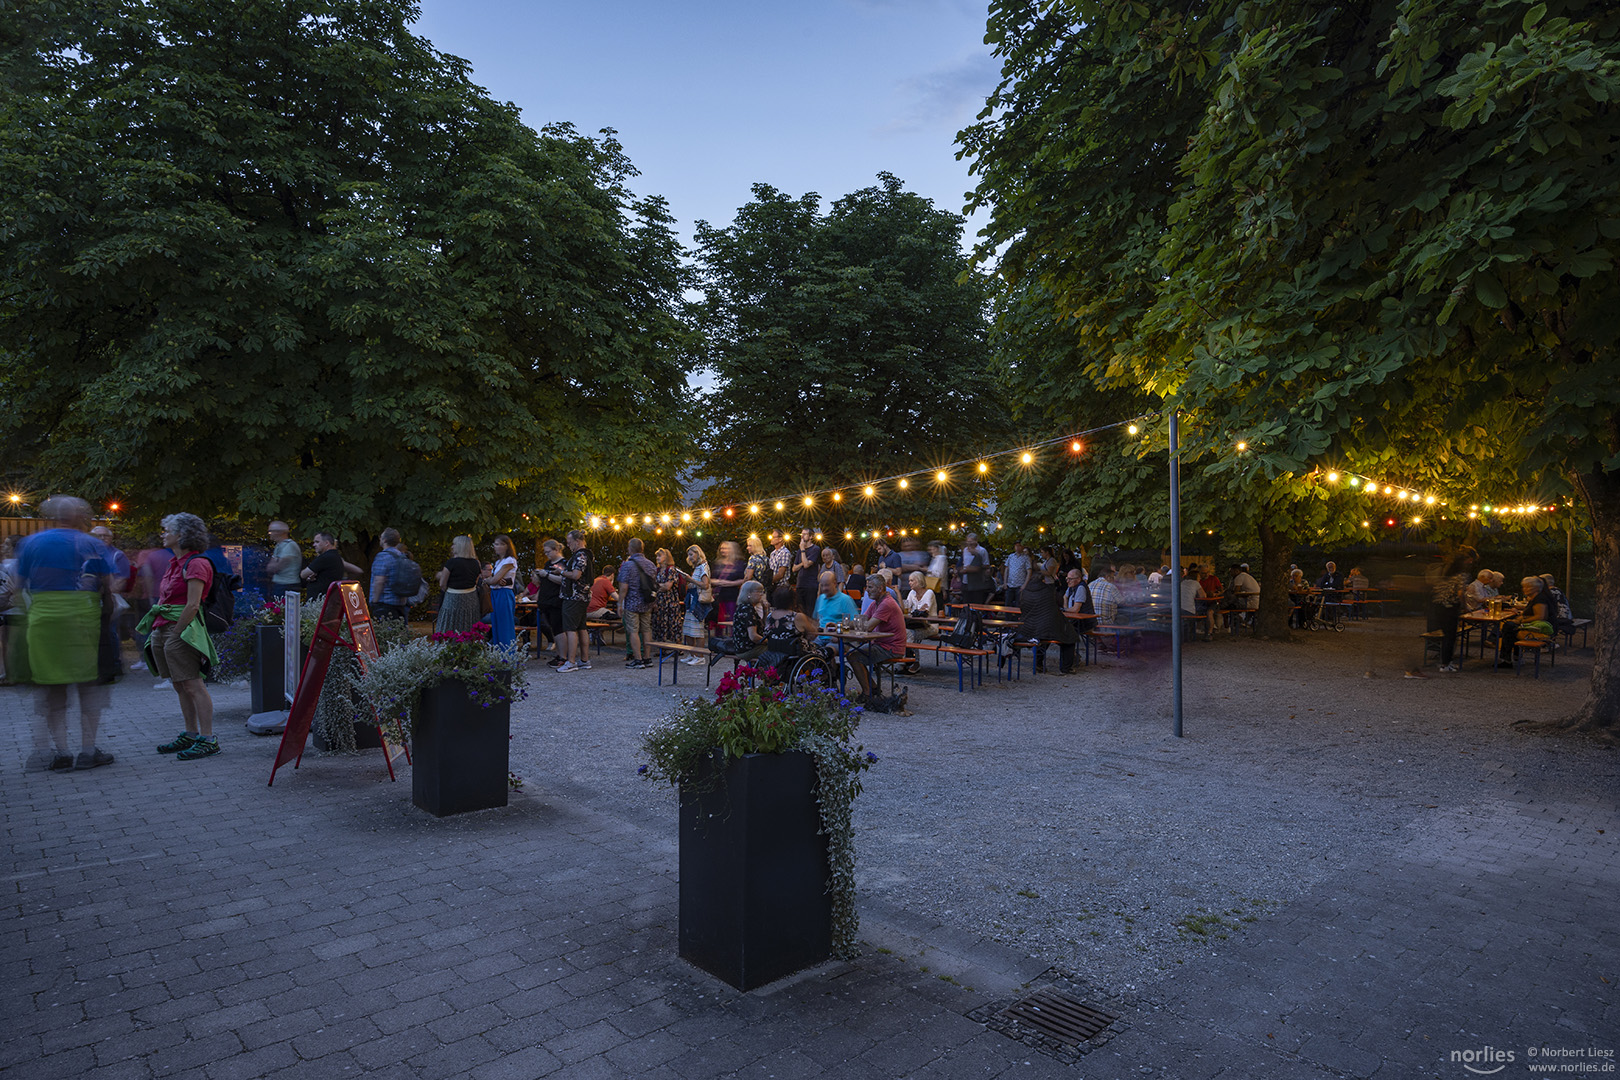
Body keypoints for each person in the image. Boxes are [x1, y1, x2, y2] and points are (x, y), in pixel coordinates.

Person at [15, 496, 115, 770]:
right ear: (80, 516)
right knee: (88, 686)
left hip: (44, 619)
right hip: (82, 619)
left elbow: (18, 588)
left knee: (52, 687)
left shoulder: (31, 543)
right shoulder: (92, 543)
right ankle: (87, 750)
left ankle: (61, 752)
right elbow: (107, 588)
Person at [137, 511, 222, 761]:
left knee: (193, 683)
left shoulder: (196, 563)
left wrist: (176, 632)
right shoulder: (175, 562)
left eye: (168, 530)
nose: (163, 534)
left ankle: (208, 739)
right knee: (179, 684)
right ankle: (190, 733)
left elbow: (193, 604)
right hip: (164, 627)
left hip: (181, 629)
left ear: (182, 535)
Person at [846, 575, 908, 708]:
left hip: (891, 648)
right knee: (853, 654)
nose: (867, 590)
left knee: (853, 656)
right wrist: (840, 624)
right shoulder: (877, 603)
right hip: (882, 644)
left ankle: (868, 693)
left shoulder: (886, 604)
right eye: (867, 587)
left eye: (870, 587)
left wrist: (845, 626)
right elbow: (862, 619)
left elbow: (868, 626)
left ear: (880, 588)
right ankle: (872, 688)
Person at [1017, 559, 1078, 674]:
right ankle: (1066, 667)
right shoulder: (1049, 590)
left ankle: (1039, 664)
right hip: (1047, 625)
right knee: (1070, 636)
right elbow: (1057, 604)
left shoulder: (1024, 592)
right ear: (1043, 581)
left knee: (1043, 637)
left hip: (1028, 627)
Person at [547, 531, 592, 671]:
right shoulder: (587, 554)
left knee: (570, 629)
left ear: (577, 541)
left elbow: (576, 575)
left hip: (574, 597)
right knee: (582, 628)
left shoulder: (580, 555)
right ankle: (584, 660)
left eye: (569, 541)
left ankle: (571, 662)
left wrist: (560, 572)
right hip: (582, 597)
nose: (567, 544)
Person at [1430, 546, 1477, 672]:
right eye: (1471, 559)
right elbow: (1460, 593)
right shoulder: (1462, 574)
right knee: (1450, 636)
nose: (1471, 562)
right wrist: (1466, 606)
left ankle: (1445, 662)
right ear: (1466, 559)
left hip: (1439, 605)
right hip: (1450, 607)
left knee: (1447, 635)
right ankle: (1445, 664)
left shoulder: (1448, 571)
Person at [1496, 575, 1555, 668]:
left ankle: (1507, 658)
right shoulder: (1535, 598)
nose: (1525, 589)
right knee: (1510, 627)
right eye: (1524, 586)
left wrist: (1521, 621)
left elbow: (1540, 616)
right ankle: (1514, 656)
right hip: (1537, 626)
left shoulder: (1540, 599)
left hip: (1541, 629)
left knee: (1509, 628)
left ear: (1536, 588)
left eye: (1528, 586)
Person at [617, 538, 659, 669]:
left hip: (632, 603)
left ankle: (638, 659)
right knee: (646, 629)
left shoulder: (627, 565)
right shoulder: (651, 564)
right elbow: (654, 585)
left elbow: (623, 587)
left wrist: (619, 603)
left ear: (630, 549)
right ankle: (647, 658)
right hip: (647, 602)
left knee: (633, 631)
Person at [758, 586, 817, 673]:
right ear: (793, 600)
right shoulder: (797, 616)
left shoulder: (770, 616)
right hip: (797, 652)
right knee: (827, 651)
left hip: (774, 651)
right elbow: (813, 633)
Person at [435, 535, 483, 635]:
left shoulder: (452, 562)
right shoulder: (476, 563)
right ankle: (469, 645)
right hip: (471, 598)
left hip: (452, 597)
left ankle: (448, 645)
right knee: (468, 622)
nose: (452, 547)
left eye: (454, 544)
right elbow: (476, 581)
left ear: (460, 546)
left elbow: (442, 583)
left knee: (450, 622)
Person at [369, 528, 415, 622]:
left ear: (385, 540)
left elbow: (379, 581)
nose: (380, 539)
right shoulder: (402, 556)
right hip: (401, 602)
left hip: (385, 604)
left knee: (386, 634)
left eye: (381, 537)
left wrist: (375, 601)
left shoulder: (383, 556)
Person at [301, 531, 362, 602]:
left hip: (320, 602)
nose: (314, 545)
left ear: (327, 543)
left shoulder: (325, 557)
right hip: (329, 599)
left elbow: (303, 574)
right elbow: (358, 571)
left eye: (317, 542)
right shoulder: (337, 557)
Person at [679, 544, 712, 663]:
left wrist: (690, 579)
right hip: (692, 599)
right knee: (688, 629)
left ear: (698, 554)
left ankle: (700, 656)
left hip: (698, 601)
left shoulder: (703, 566)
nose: (690, 557)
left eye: (691, 554)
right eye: (688, 555)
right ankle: (693, 654)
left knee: (697, 630)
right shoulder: (697, 567)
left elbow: (705, 584)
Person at [486, 535, 518, 647]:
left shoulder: (510, 560)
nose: (496, 547)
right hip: (495, 593)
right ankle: (499, 655)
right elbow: (495, 580)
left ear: (506, 546)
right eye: (495, 544)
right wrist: (492, 580)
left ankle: (509, 655)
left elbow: (494, 579)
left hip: (503, 594)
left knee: (505, 625)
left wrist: (487, 580)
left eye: (500, 544)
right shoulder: (498, 562)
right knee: (496, 625)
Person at [650, 547, 683, 651]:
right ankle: (662, 649)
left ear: (666, 557)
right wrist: (661, 586)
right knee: (660, 624)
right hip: (659, 601)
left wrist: (658, 585)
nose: (657, 558)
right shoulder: (657, 570)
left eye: (660, 555)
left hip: (670, 602)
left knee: (673, 624)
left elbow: (667, 586)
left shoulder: (671, 570)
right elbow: (655, 586)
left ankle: (678, 648)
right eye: (657, 556)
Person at [813, 570, 859, 644]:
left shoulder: (845, 600)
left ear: (834, 583)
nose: (824, 588)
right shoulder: (820, 598)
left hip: (838, 639)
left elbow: (856, 624)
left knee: (827, 651)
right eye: (822, 585)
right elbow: (815, 620)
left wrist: (838, 628)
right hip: (820, 638)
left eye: (827, 585)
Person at [709, 540, 748, 629]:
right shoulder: (717, 564)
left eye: (725, 548)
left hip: (732, 595)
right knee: (718, 620)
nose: (723, 550)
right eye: (721, 548)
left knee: (732, 619)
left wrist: (731, 583)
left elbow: (744, 579)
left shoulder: (739, 564)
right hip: (719, 596)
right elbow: (709, 579)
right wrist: (718, 582)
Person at [728, 580, 768, 662]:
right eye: (758, 591)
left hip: (742, 648)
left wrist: (765, 610)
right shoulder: (747, 610)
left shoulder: (743, 607)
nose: (761, 594)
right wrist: (770, 642)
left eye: (762, 591)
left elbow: (763, 625)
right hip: (748, 649)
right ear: (749, 594)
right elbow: (753, 636)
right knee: (778, 651)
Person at [265, 521, 302, 599]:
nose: (269, 534)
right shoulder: (279, 546)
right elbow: (271, 567)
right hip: (280, 585)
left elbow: (275, 567)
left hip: (288, 586)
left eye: (271, 531)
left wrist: (275, 563)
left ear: (279, 532)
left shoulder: (289, 546)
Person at [0, 537, 18, 685]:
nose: (3, 546)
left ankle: (11, 675)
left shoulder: (11, 565)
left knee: (9, 643)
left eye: (6, 544)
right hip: (10, 609)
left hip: (14, 610)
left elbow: (15, 589)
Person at [959, 533, 992, 608]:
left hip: (977, 583)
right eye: (968, 541)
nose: (969, 543)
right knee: (966, 605)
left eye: (971, 541)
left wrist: (973, 568)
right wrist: (964, 569)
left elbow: (987, 565)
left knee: (976, 606)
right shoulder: (965, 550)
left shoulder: (982, 551)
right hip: (966, 581)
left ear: (976, 541)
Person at [794, 528, 822, 616]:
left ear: (811, 537)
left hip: (810, 585)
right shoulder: (799, 551)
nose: (802, 536)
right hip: (800, 584)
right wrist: (803, 561)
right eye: (801, 534)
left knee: (809, 612)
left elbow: (806, 565)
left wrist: (802, 550)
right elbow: (794, 568)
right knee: (800, 611)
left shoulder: (815, 549)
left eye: (805, 534)